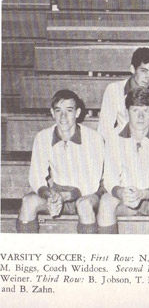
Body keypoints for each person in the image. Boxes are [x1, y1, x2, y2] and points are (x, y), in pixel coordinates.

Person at [17, 90, 104, 234]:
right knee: (28, 202)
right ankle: (27, 250)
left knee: (84, 205)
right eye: (58, 111)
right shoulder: (42, 137)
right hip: (57, 193)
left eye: (69, 110)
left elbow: (92, 182)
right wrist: (49, 195)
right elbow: (36, 176)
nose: (63, 116)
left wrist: (66, 196)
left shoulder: (93, 138)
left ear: (77, 112)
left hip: (85, 193)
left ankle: (89, 252)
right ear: (52, 112)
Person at [98, 86, 149, 234]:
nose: (140, 117)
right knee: (106, 202)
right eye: (135, 110)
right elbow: (109, 178)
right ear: (127, 113)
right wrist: (121, 193)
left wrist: (144, 194)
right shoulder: (113, 136)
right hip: (125, 196)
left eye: (145, 111)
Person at [97, 47, 149, 140]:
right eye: (144, 71)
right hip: (122, 144)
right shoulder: (114, 89)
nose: (148, 77)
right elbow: (104, 130)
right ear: (132, 69)